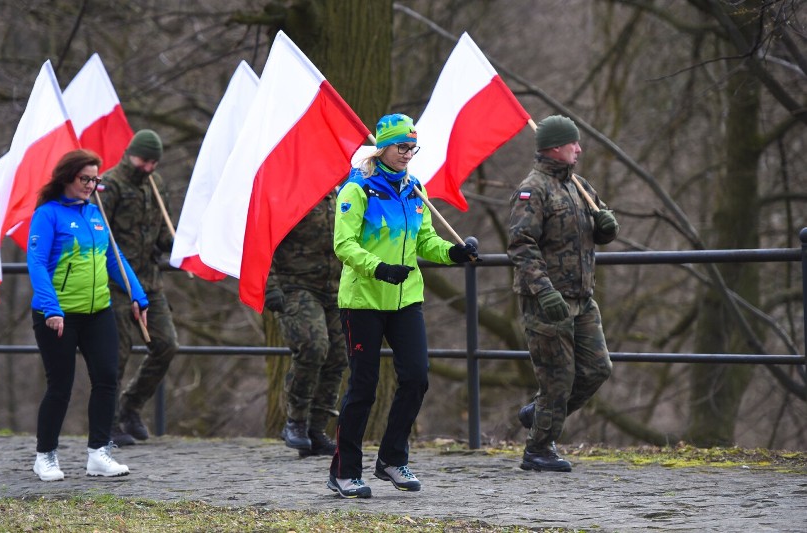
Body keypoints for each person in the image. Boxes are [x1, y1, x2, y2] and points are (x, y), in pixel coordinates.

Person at [327, 113, 479, 498]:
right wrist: (379, 269)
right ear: (383, 148)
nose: (408, 153)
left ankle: (392, 459)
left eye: (413, 147)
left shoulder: (415, 189)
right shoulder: (357, 189)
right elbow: (343, 245)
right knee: (364, 386)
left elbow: (426, 242)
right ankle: (344, 472)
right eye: (401, 146)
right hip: (363, 300)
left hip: (406, 298)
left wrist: (455, 253)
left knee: (416, 377)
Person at [507, 115, 619, 473]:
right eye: (574, 144)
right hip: (547, 301)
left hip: (582, 297)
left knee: (598, 368)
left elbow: (593, 230)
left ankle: (538, 415)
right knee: (558, 377)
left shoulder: (579, 186)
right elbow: (521, 245)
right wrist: (544, 291)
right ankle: (538, 449)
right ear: (555, 147)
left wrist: (605, 229)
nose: (579, 149)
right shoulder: (533, 189)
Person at [27, 149, 148, 481]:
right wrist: (51, 308)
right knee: (61, 386)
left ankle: (99, 453)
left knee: (107, 379)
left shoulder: (96, 215)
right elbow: (36, 264)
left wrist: (138, 295)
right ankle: (45, 456)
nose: (91, 184)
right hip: (58, 315)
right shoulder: (47, 215)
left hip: (99, 312)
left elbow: (115, 258)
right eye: (85, 178)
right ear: (67, 178)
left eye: (96, 179)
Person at [98, 129, 179, 446]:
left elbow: (162, 233)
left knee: (166, 344)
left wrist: (181, 246)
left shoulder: (156, 185)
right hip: (116, 282)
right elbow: (102, 238)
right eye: (144, 160)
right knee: (116, 355)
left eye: (154, 162)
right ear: (130, 154)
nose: (148, 167)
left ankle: (131, 407)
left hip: (151, 281)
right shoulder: (109, 185)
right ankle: (109, 422)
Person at [265, 192, 347, 458]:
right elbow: (264, 241)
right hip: (296, 286)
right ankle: (295, 422)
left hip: (336, 288)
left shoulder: (341, 196)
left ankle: (317, 428)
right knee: (313, 347)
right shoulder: (292, 195)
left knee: (339, 355)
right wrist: (270, 286)